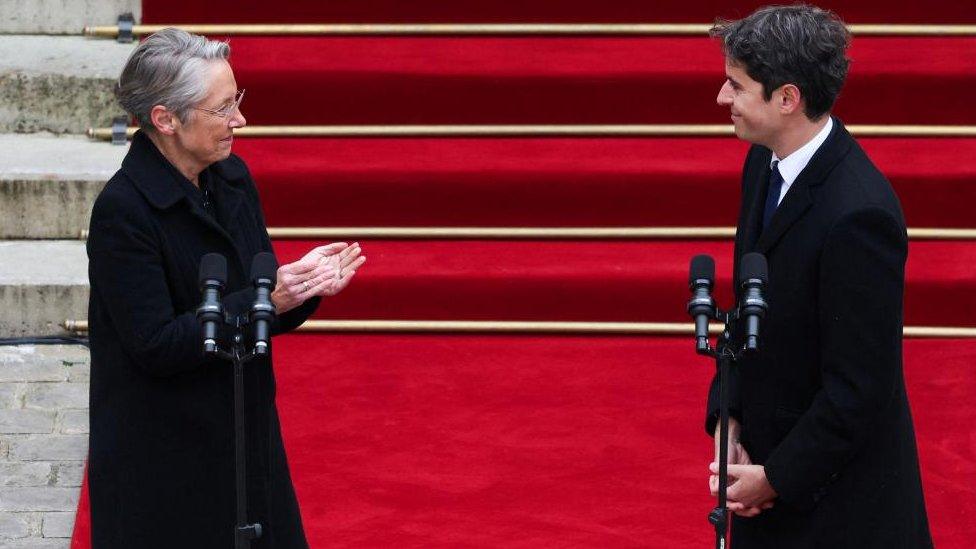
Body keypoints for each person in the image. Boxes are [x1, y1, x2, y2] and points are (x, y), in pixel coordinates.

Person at [86, 28, 366, 548]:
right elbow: (155, 345)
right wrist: (268, 298)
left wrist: (301, 288)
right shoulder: (123, 213)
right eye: (222, 108)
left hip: (246, 435)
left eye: (236, 99)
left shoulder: (230, 178)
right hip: (166, 460)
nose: (240, 119)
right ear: (165, 120)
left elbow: (260, 304)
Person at [704, 5, 932, 548]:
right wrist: (728, 415)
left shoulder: (859, 215)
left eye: (736, 85)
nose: (721, 97)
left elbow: (859, 388)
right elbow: (748, 306)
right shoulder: (763, 162)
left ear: (787, 99)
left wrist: (777, 480)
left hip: (837, 513)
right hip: (771, 483)